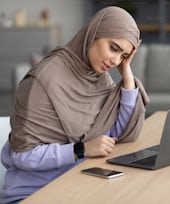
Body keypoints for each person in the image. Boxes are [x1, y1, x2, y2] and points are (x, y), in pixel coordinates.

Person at [0, 6, 149, 203]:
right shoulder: (42, 80)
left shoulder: (98, 78)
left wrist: (127, 77)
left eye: (123, 55)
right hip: (31, 194)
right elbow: (22, 155)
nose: (115, 60)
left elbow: (115, 134)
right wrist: (80, 149)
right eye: (113, 48)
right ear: (93, 33)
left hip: (76, 185)